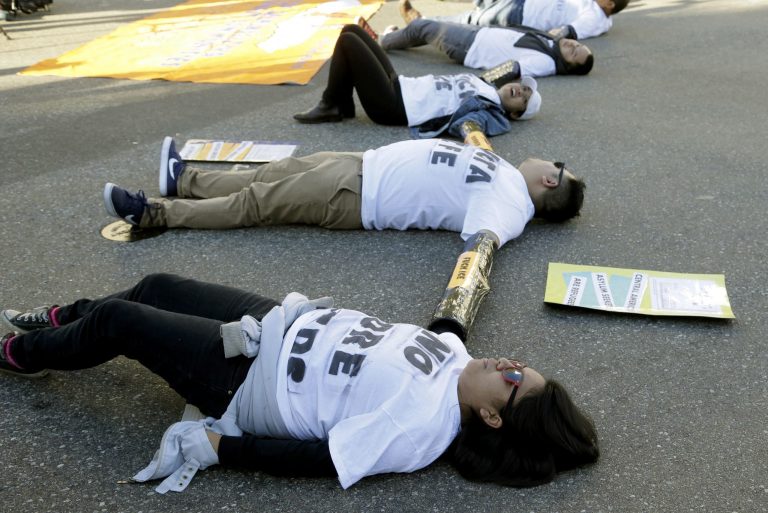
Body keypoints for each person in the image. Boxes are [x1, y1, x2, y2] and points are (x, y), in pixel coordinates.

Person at [0, 272, 600, 491]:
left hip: (250, 379)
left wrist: (222, 449)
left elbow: (324, 460)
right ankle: (63, 320)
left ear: (493, 417)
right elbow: (444, 325)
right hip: (278, 321)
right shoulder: (455, 356)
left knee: (121, 321)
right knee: (155, 286)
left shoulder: (420, 431)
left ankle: (23, 354)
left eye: (515, 380)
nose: (508, 365)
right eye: (518, 364)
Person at [101, 136, 586, 248]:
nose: (552, 160)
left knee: (256, 204)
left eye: (558, 167)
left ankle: (156, 213)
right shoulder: (505, 174)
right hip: (363, 165)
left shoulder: (510, 209)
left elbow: (482, 246)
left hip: (358, 195)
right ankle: (184, 179)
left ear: (550, 181)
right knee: (271, 174)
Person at [294, 24, 542, 142]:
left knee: (349, 42)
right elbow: (510, 65)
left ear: (515, 114)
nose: (521, 89)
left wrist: (477, 145)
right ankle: (343, 104)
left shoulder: (490, 112)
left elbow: (470, 126)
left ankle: (331, 104)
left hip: (394, 107)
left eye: (524, 97)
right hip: (401, 85)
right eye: (525, 87)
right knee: (351, 30)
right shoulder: (485, 84)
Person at [380, 19, 594, 77]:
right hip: (480, 33)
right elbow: (566, 32)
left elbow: (512, 69)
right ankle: (397, 37)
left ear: (567, 66)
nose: (573, 45)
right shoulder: (553, 46)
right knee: (427, 29)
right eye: (578, 44)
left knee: (423, 27)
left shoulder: (545, 62)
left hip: (470, 47)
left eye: (574, 52)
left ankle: (384, 41)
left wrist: (481, 84)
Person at [400, 0, 630, 40]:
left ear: (609, 5)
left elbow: (568, 31)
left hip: (520, 15)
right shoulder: (592, 6)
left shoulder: (594, 17)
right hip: (523, 3)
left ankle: (420, 23)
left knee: (470, 19)